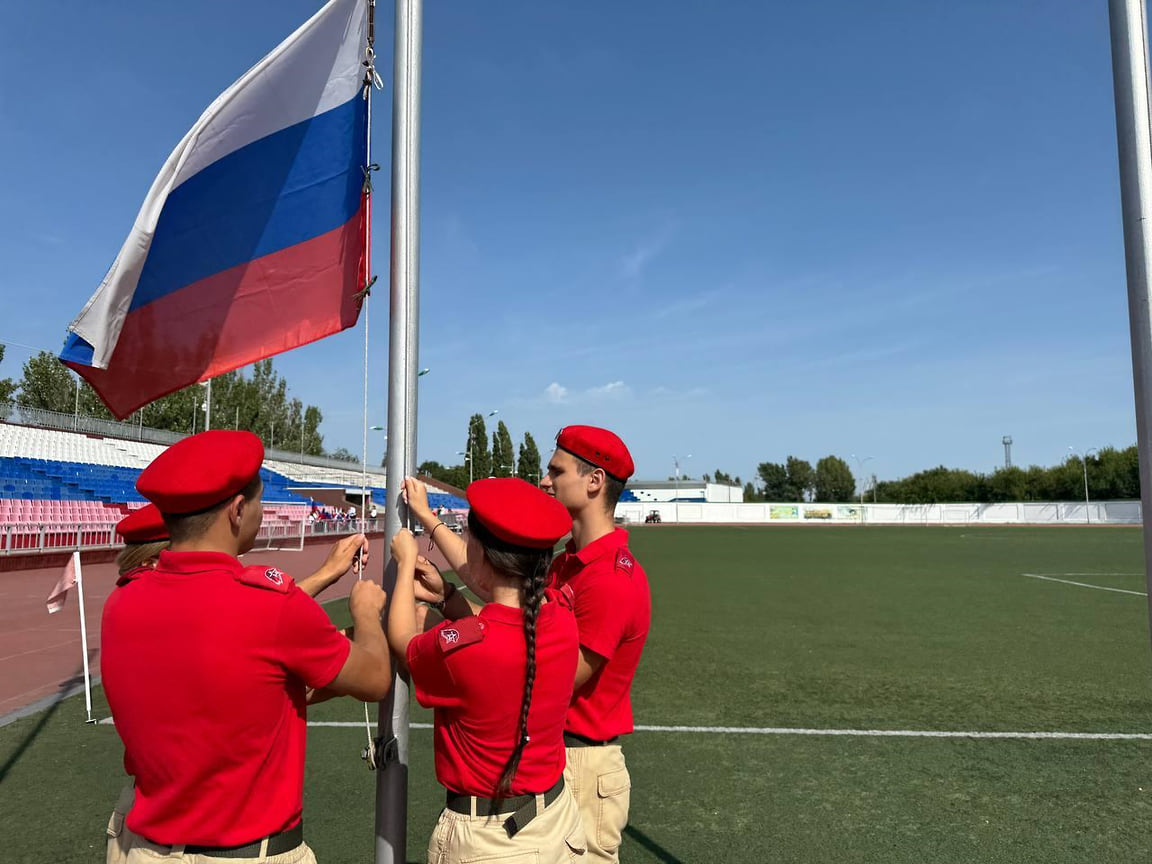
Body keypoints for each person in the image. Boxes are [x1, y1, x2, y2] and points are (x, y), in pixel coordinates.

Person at [101, 430, 392, 864]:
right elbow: (374, 678)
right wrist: (366, 612)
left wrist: (322, 576)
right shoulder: (270, 606)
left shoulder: (123, 599)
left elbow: (229, 637)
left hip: (145, 849)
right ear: (238, 511)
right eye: (258, 502)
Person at [388, 477, 586, 863]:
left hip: (490, 840)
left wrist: (406, 562)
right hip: (557, 823)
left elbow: (403, 643)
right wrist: (447, 597)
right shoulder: (562, 619)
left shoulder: (470, 647)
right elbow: (504, 628)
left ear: (479, 552)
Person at [538, 426, 650, 864]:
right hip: (559, 755)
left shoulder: (609, 580)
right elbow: (514, 621)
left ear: (594, 481)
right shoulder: (568, 563)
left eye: (555, 470)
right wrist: (450, 602)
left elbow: (559, 679)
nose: (545, 480)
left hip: (582, 763)